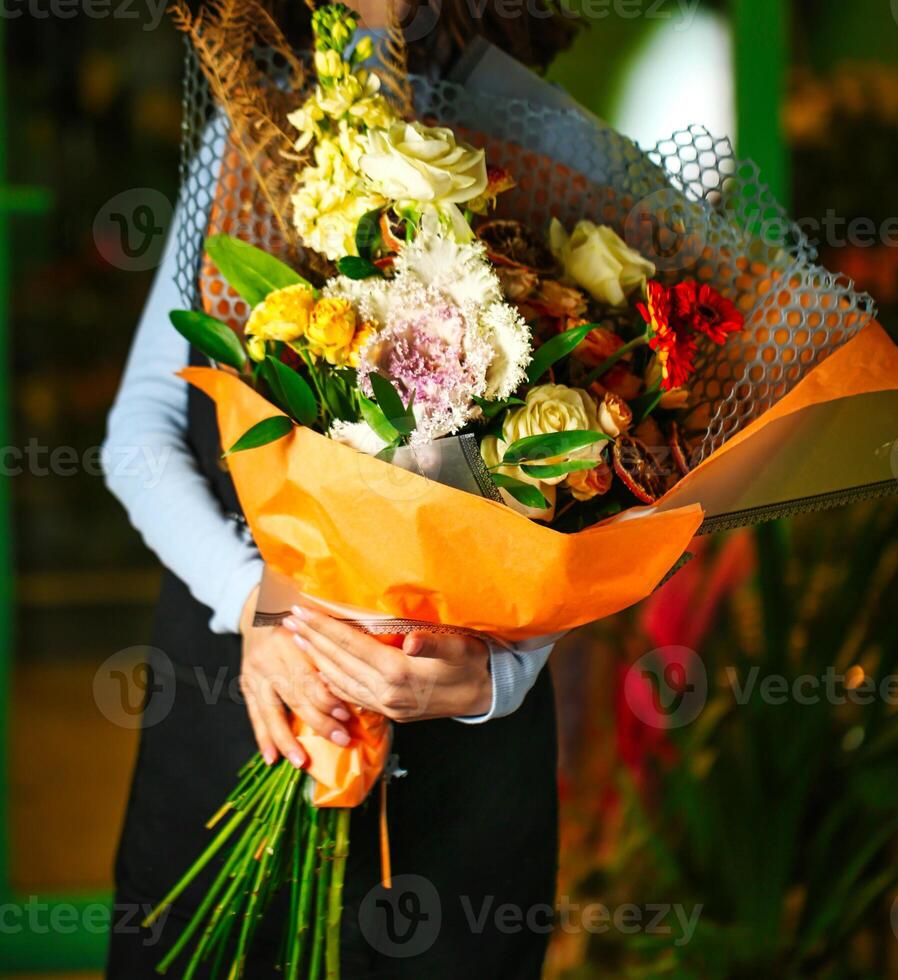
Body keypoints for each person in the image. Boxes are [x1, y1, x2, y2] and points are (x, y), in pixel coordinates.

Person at [102, 1, 580, 976]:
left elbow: (605, 484)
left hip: (465, 785)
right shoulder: (255, 138)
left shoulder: (549, 148)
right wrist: (257, 598)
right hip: (244, 714)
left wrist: (502, 674)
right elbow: (138, 436)